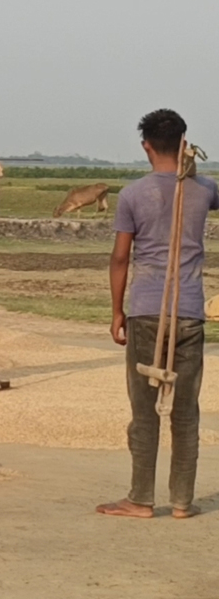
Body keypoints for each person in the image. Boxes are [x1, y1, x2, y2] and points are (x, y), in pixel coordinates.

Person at [97, 109, 218, 520]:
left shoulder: (133, 194)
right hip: (189, 313)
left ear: (145, 146)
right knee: (185, 412)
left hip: (146, 311)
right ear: (184, 143)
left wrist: (117, 311)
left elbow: (120, 258)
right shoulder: (205, 189)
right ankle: (182, 501)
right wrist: (191, 167)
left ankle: (141, 499)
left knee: (144, 412)